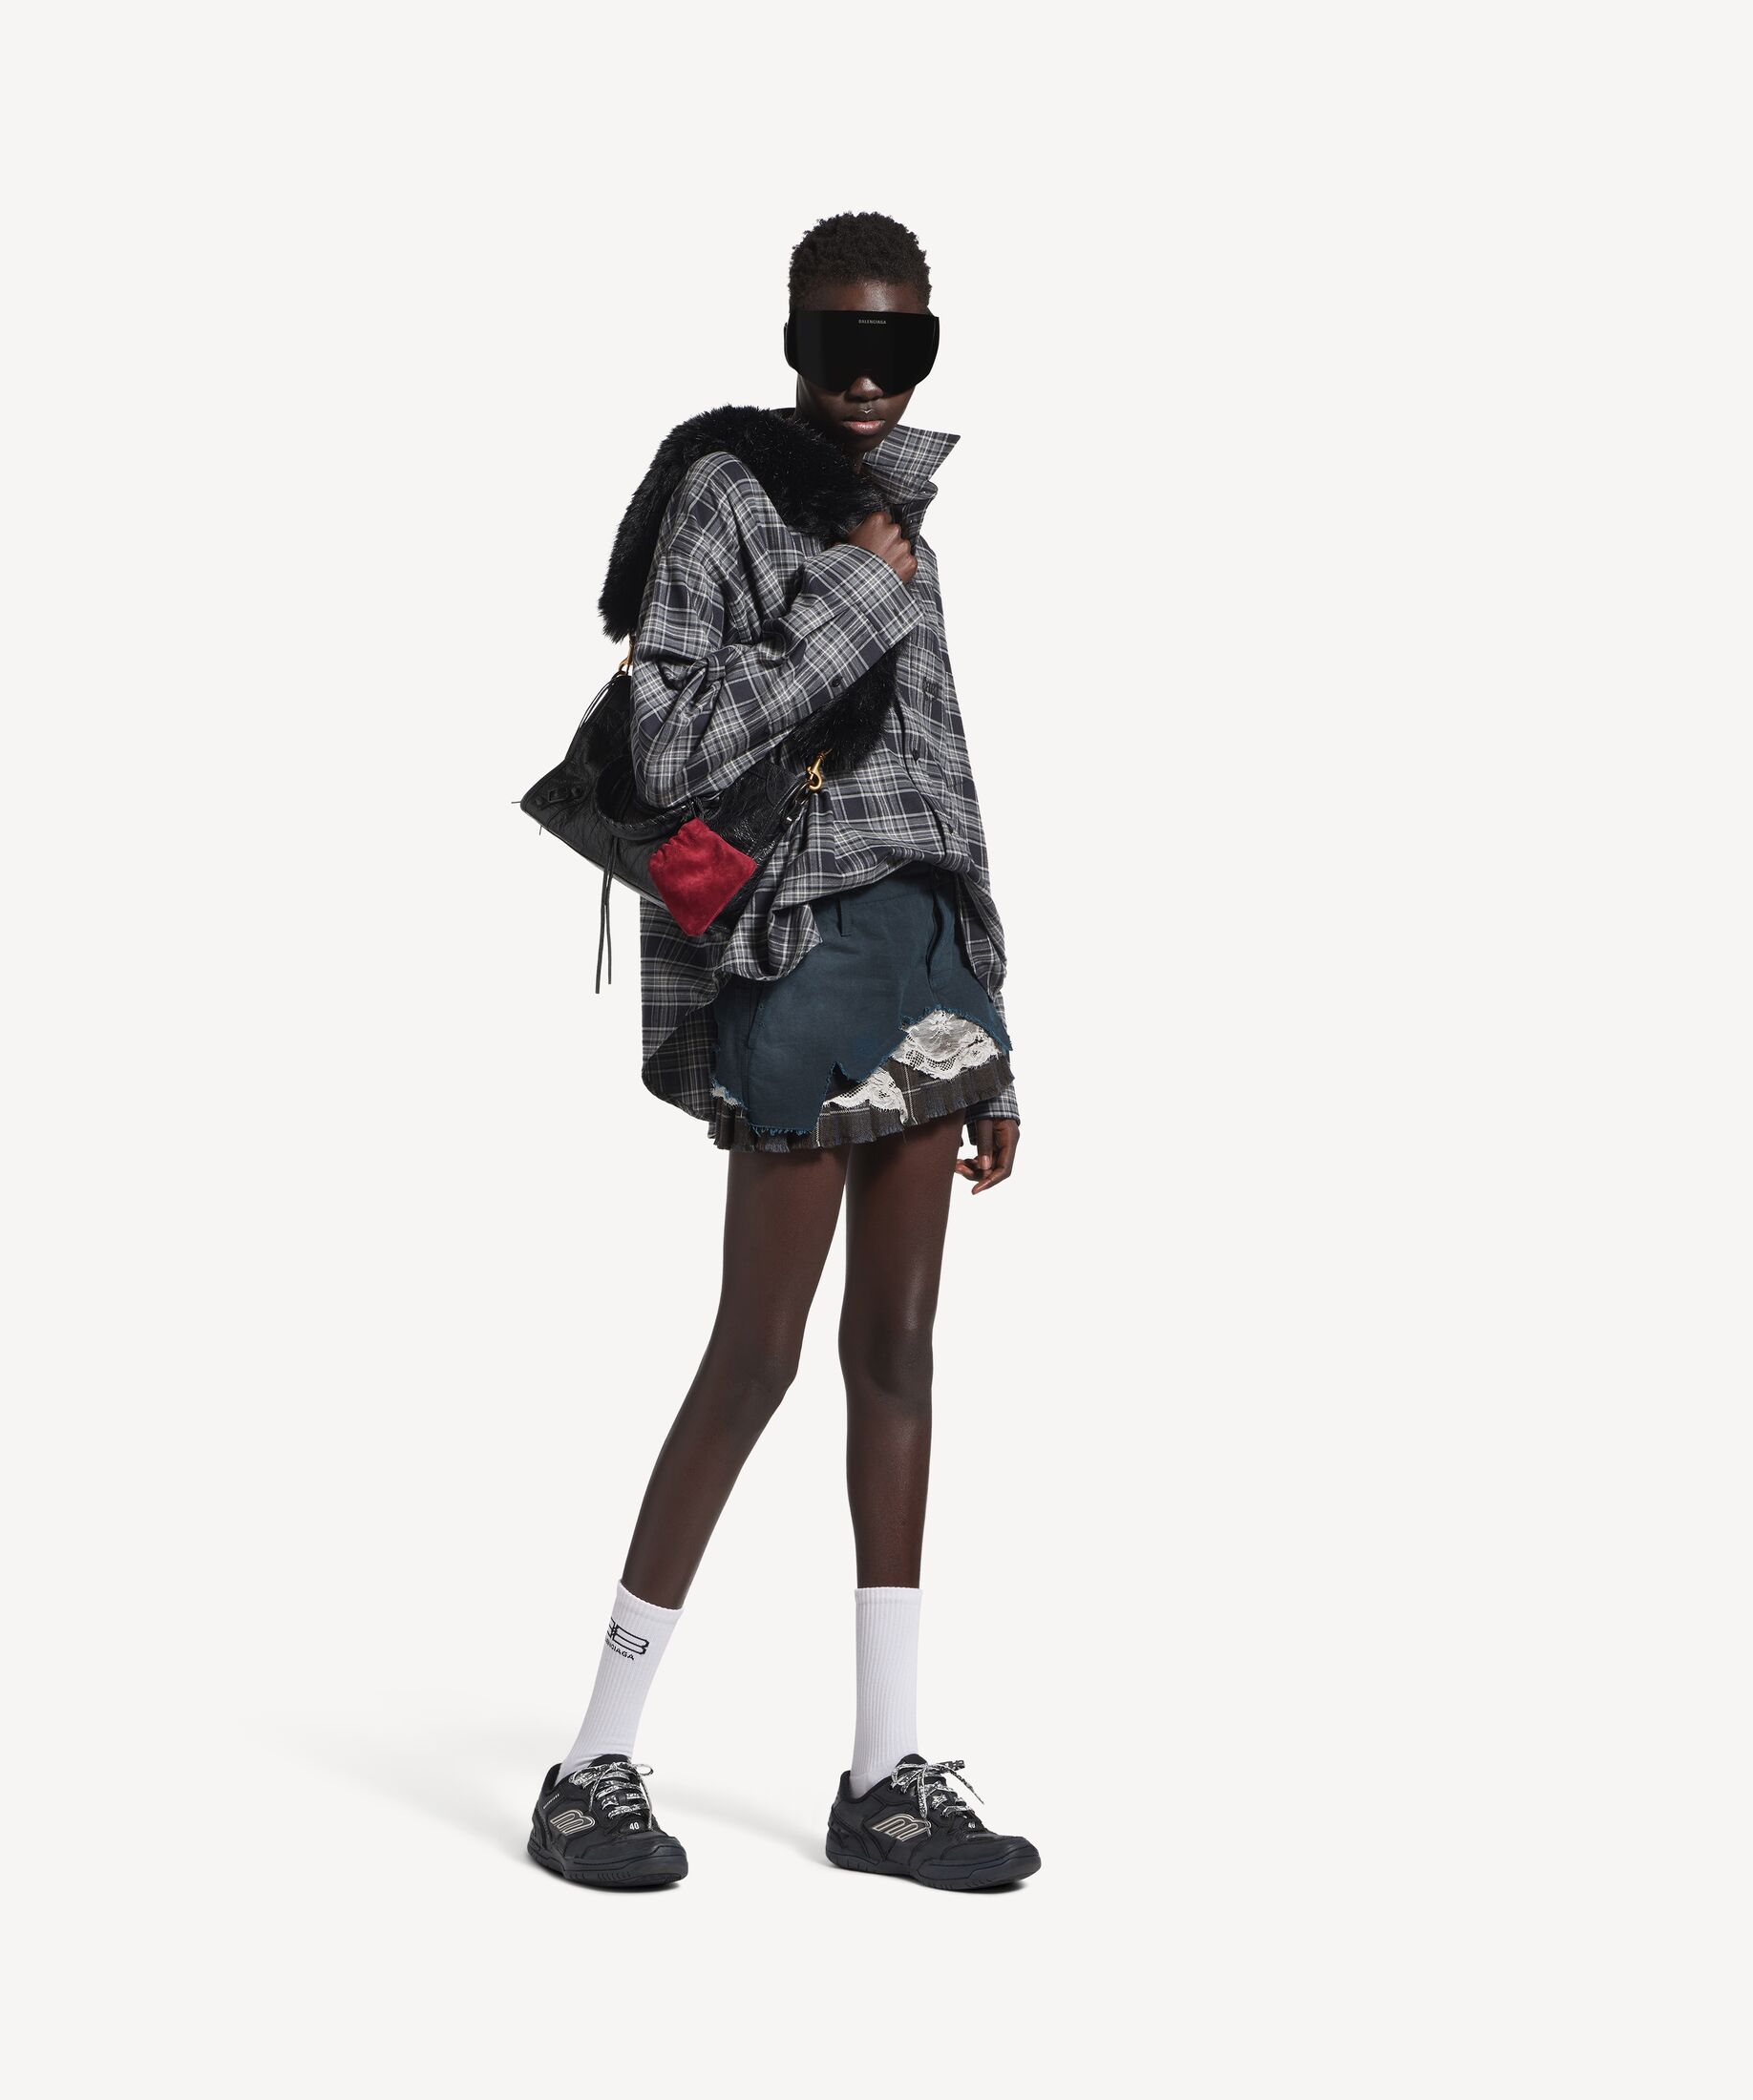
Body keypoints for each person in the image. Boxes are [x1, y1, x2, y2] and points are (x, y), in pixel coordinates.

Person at [527, 212, 1040, 1892]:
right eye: (840, 343)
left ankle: (887, 1777)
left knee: (899, 1351)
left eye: (904, 347)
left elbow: (944, 774)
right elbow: (669, 743)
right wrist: (854, 597)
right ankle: (590, 1766)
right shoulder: (727, 496)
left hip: (926, 956)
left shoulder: (902, 515)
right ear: (795, 341)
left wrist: (998, 1029)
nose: (871, 378)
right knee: (755, 1354)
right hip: (801, 959)